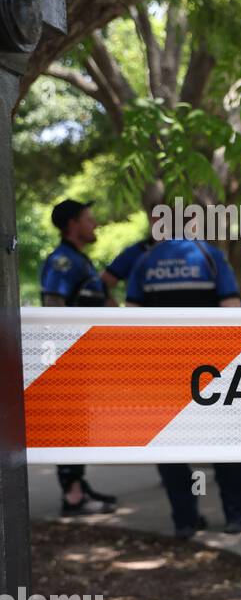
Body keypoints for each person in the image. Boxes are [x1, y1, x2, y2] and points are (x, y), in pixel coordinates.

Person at [125, 229, 241, 538]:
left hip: (161, 367)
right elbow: (231, 310)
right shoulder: (210, 256)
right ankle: (237, 515)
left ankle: (185, 520)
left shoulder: (146, 260)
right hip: (208, 366)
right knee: (225, 439)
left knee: (169, 445)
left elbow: (133, 318)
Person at [41, 199, 118, 516]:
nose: (95, 223)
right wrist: (59, 354)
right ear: (72, 224)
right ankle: (72, 496)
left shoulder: (79, 261)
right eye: (88, 219)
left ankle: (77, 485)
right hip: (67, 356)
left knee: (78, 423)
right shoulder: (62, 262)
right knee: (69, 423)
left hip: (84, 356)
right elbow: (53, 304)